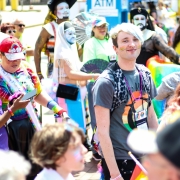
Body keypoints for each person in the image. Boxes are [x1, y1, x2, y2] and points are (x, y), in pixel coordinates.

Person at [93, 23, 158, 180]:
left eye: (135, 39)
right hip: (121, 159)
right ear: (115, 48)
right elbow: (102, 132)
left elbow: (151, 117)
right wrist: (115, 174)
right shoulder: (106, 81)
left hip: (145, 156)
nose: (131, 44)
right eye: (125, 40)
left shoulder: (145, 73)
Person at [0, 36, 68, 180]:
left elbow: (37, 93)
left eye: (18, 57)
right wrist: (14, 106)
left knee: (37, 168)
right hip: (9, 133)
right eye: (11, 57)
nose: (15, 61)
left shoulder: (27, 70)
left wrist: (57, 109)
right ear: (1, 55)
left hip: (32, 125)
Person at [53, 21, 99, 131]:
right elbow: (71, 74)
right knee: (71, 125)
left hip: (75, 91)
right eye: (69, 33)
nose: (73, 36)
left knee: (79, 121)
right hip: (67, 92)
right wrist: (92, 76)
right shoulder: (62, 53)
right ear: (62, 35)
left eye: (74, 33)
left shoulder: (70, 50)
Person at [82, 16, 116, 161]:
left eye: (104, 26)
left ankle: (109, 145)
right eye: (98, 26)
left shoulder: (110, 41)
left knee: (111, 115)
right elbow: (90, 65)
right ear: (93, 29)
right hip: (96, 83)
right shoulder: (90, 43)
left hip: (113, 82)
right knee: (97, 116)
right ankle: (96, 146)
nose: (102, 29)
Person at [34, 0, 75, 79]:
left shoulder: (73, 27)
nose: (65, 10)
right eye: (61, 8)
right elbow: (37, 49)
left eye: (67, 8)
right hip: (54, 69)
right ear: (55, 12)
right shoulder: (49, 28)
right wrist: (38, 72)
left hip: (72, 68)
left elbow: (78, 49)